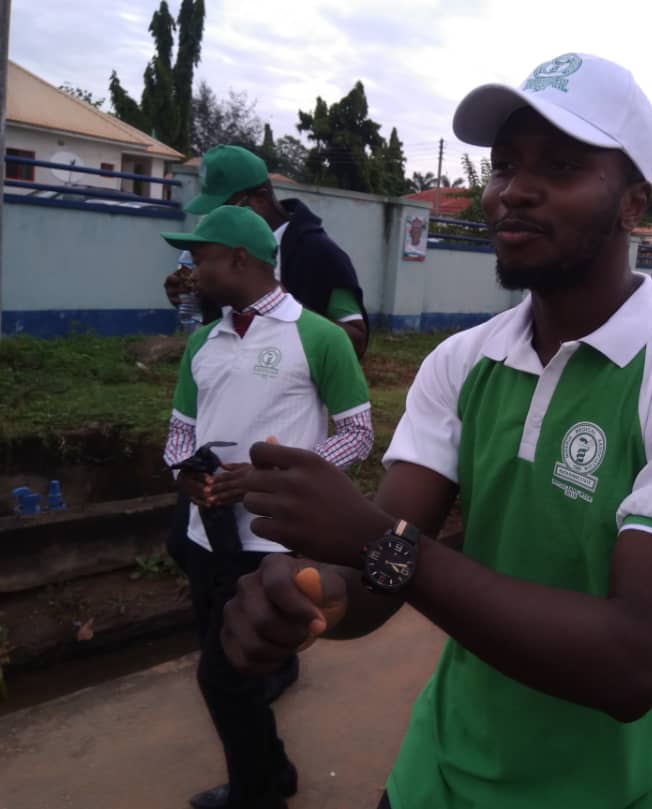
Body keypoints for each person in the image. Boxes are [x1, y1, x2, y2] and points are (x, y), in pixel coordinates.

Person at [219, 53, 652, 809]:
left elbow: (632, 663)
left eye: (563, 164)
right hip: (434, 776)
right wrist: (313, 597)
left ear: (633, 203)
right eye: (504, 165)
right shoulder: (461, 363)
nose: (515, 190)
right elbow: (379, 576)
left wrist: (382, 544)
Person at [160, 206, 374, 809]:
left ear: (239, 259)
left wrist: (275, 478)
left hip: (272, 546)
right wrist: (186, 479)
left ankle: (259, 793)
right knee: (236, 670)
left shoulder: (319, 337)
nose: (191, 269)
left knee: (221, 677)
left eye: (200, 258)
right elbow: (179, 434)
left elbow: (357, 433)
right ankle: (271, 773)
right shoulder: (204, 341)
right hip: (209, 537)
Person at [164, 145, 369, 360]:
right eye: (213, 212)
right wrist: (197, 293)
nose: (216, 220)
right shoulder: (223, 249)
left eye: (227, 209)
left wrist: (283, 306)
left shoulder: (320, 255)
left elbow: (356, 342)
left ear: (260, 198)